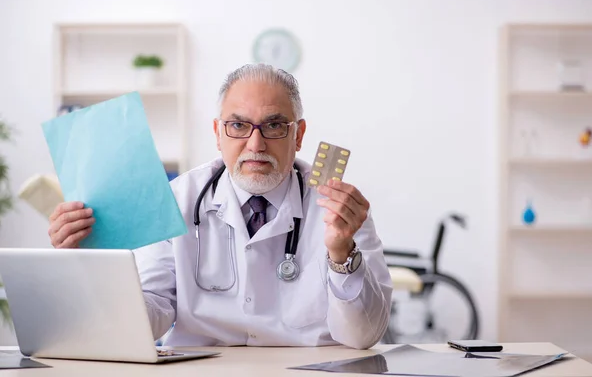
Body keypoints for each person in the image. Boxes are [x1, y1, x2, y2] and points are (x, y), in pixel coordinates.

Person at [48, 64, 392, 349]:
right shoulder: (178, 199)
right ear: (218, 132)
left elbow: (363, 336)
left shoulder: (340, 210)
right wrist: (93, 264)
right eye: (239, 125)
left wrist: (340, 254)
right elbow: (147, 320)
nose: (255, 144)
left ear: (298, 135)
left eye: (273, 126)